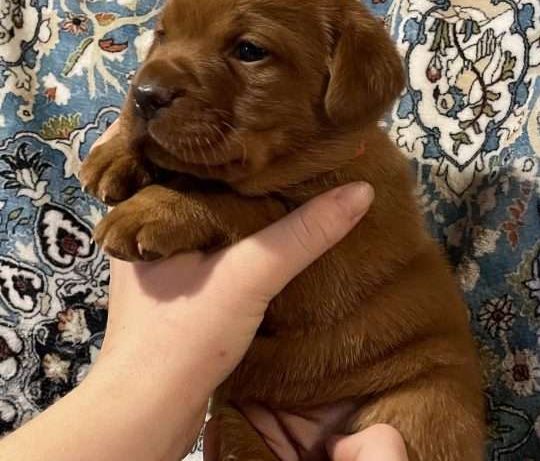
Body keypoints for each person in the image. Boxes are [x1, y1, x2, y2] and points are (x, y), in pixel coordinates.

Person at [0, 122, 409, 461]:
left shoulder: (345, 148)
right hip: (259, 408)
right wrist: (142, 386)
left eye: (248, 52)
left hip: (397, 375)